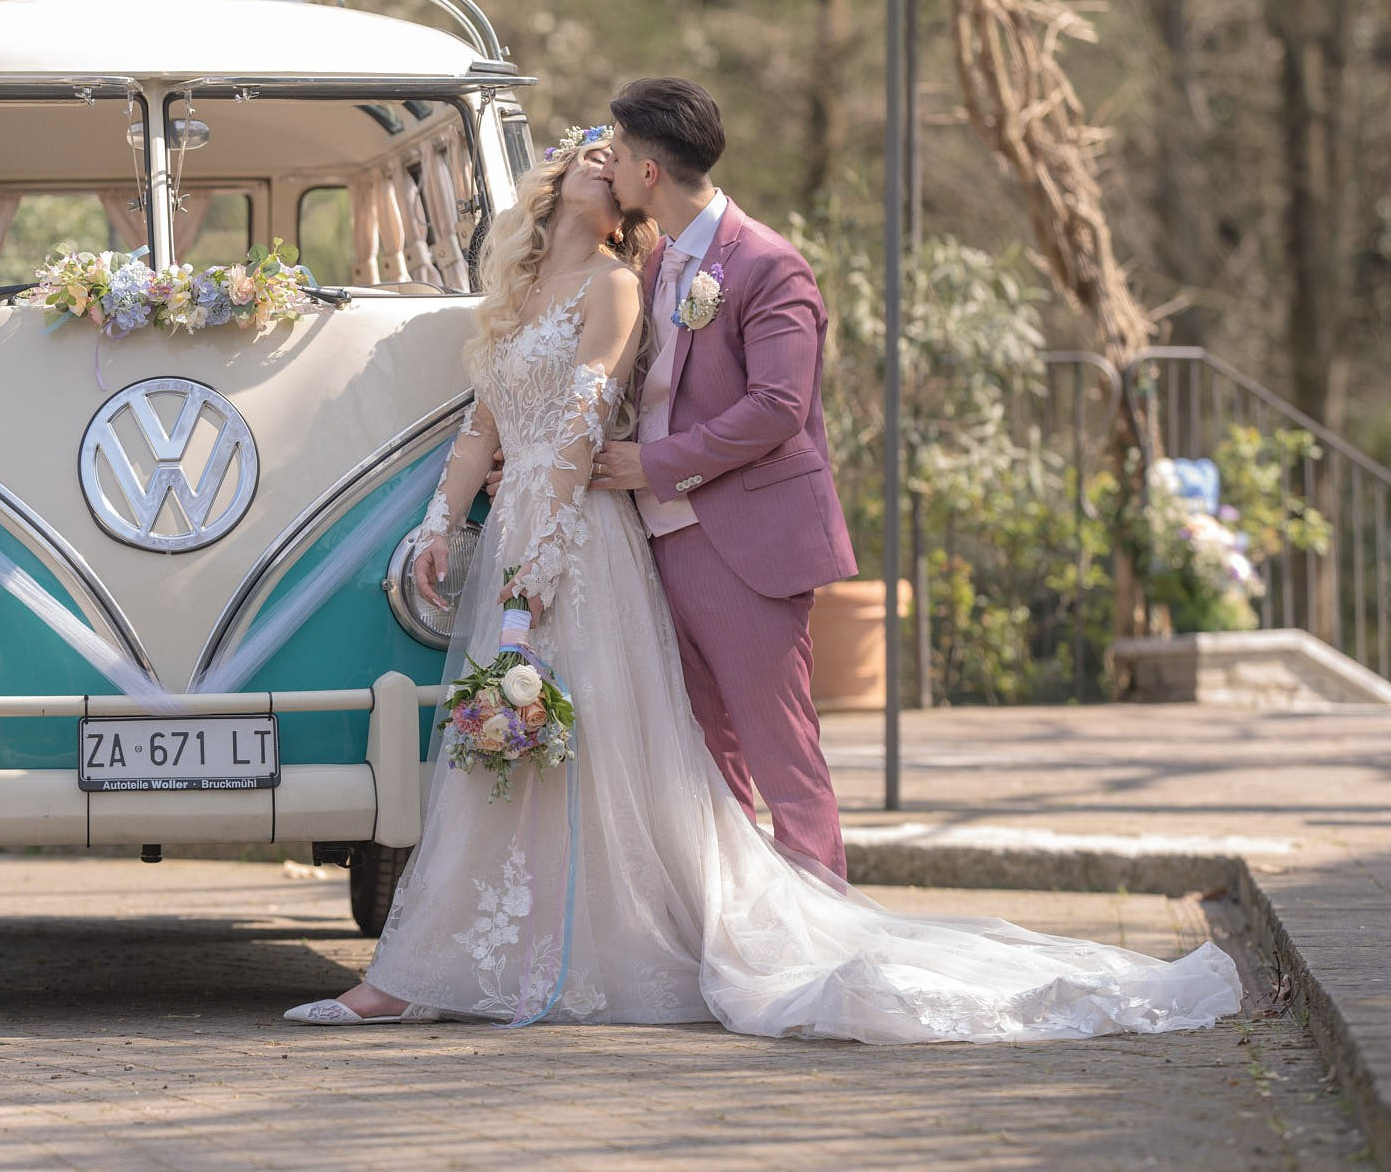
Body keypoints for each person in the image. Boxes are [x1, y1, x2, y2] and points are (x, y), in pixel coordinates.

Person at [282, 119, 1242, 1041]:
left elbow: (611, 423)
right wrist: (442, 524)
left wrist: (539, 564)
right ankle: (448, 964)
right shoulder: (532, 293)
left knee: (633, 741)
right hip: (538, 530)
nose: (594, 160)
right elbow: (484, 426)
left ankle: (766, 929)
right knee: (525, 749)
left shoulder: (630, 282)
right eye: (580, 154)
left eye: (607, 153)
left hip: (581, 535)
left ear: (636, 186)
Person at [589, 77, 855, 880]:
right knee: (708, 758)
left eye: (617, 152)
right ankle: (744, 931)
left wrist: (654, 463)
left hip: (747, 543)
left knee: (781, 751)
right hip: (662, 542)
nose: (606, 167)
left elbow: (779, 405)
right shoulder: (657, 259)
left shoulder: (769, 264)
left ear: (647, 174)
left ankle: (824, 938)